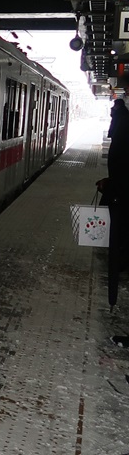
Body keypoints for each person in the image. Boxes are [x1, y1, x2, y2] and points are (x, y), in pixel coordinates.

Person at [104, 99, 129, 311]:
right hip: (120, 189)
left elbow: (120, 160)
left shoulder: (123, 123)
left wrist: (113, 184)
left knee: (119, 233)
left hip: (121, 193)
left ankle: (120, 261)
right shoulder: (123, 121)